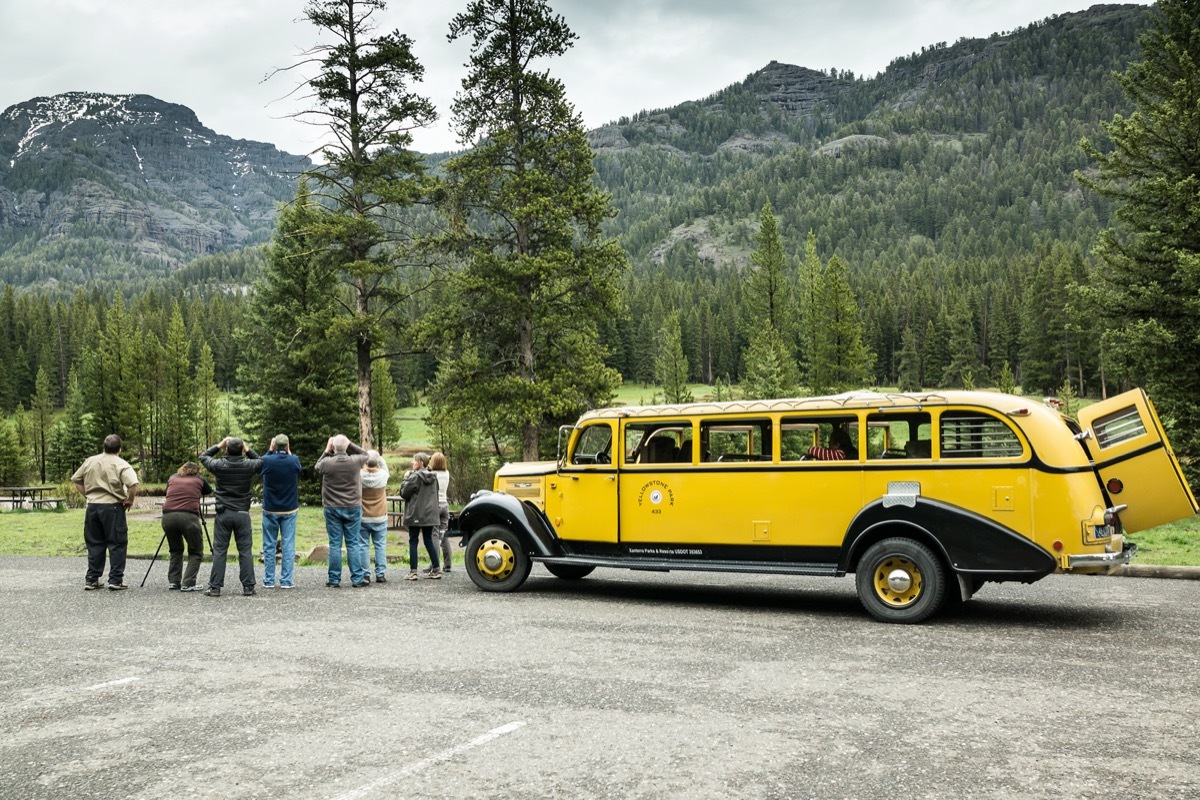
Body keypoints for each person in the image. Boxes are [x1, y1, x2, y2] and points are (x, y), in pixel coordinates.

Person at [72, 434, 139, 591]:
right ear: (119, 449)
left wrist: (88, 495)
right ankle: (115, 580)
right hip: (113, 507)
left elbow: (76, 480)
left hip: (93, 507)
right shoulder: (121, 464)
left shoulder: (90, 461)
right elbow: (133, 485)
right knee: (117, 543)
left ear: (104, 446)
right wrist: (129, 500)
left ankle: (92, 579)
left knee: (94, 543)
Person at [199, 437, 263, 597]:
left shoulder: (219, 465)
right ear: (242, 450)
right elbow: (261, 461)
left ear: (226, 450)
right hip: (242, 513)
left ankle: (215, 587)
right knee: (245, 550)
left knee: (220, 550)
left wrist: (219, 445)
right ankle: (248, 587)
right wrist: (247, 449)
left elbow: (203, 457)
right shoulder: (248, 465)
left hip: (223, 512)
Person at [314, 434, 370, 588]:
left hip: (332, 507)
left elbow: (316, 466)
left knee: (334, 544)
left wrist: (327, 450)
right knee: (353, 543)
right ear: (347, 447)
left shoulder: (327, 463)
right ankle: (357, 578)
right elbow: (366, 455)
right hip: (352, 506)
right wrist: (349, 444)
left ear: (333, 447)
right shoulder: (355, 461)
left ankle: (333, 579)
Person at [160, 461, 212, 591]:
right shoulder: (199, 479)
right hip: (189, 517)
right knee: (196, 551)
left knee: (175, 550)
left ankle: (174, 581)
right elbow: (209, 490)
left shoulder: (172, 477)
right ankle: (188, 583)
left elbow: (167, 491)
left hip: (168, 517)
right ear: (196, 471)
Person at [259, 434, 302, 589]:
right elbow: (298, 469)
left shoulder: (267, 460)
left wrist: (270, 451)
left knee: (269, 544)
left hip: (270, 508)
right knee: (288, 544)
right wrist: (289, 451)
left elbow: (259, 464)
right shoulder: (294, 460)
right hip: (289, 509)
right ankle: (286, 580)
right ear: (287, 446)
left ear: (274, 445)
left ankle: (269, 580)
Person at [400, 452, 441, 580]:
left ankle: (413, 572)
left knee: (413, 541)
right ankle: (436, 569)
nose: (412, 463)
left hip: (416, 513)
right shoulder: (434, 477)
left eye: (415, 461)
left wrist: (405, 479)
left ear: (421, 463)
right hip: (430, 514)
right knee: (428, 540)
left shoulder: (414, 477)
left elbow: (404, 493)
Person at [360, 451, 390, 583]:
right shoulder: (383, 475)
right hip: (380, 516)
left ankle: (365, 574)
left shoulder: (359, 476)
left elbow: (357, 466)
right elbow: (384, 467)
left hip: (363, 516)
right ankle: (380, 574)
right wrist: (378, 457)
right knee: (380, 545)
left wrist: (363, 460)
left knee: (363, 545)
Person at [429, 451, 452, 575]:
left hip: (435, 505)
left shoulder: (432, 474)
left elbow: (427, 471)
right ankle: (447, 564)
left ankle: (434, 564)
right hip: (445, 505)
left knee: (434, 535)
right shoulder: (446, 473)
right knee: (444, 535)